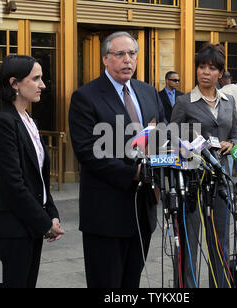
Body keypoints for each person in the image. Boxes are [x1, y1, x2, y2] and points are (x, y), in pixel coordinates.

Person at [68, 31, 165, 288]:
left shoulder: (148, 92)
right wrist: (132, 172)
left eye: (132, 54)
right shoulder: (85, 97)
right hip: (106, 214)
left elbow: (162, 133)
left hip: (143, 210)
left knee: (131, 283)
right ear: (105, 59)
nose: (127, 60)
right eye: (120, 54)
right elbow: (88, 151)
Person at [0, 55, 65, 288]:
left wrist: (51, 212)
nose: (43, 85)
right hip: (8, 230)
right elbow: (13, 184)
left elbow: (38, 178)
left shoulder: (29, 120)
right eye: (36, 78)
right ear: (14, 83)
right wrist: (45, 223)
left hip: (29, 227)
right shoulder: (3, 122)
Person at [170, 43, 237, 288]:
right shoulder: (184, 102)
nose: (205, 72)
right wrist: (188, 147)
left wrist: (231, 143)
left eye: (211, 68)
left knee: (219, 240)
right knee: (189, 240)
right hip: (191, 179)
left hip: (221, 180)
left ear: (220, 73)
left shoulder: (229, 101)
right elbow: (172, 138)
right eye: (201, 67)